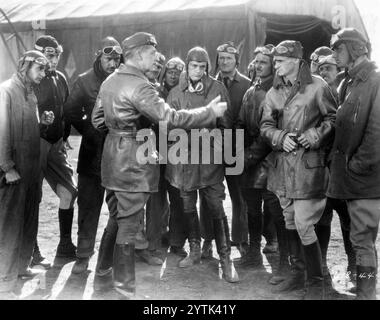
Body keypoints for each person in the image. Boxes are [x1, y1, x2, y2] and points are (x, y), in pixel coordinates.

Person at [91, 32, 228, 297]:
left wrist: (123, 127)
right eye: (153, 54)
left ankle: (103, 278)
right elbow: (171, 117)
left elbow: (98, 121)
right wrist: (209, 112)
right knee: (128, 226)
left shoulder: (110, 80)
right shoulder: (140, 85)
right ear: (140, 54)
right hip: (133, 160)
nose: (156, 59)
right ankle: (124, 290)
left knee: (116, 220)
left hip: (112, 160)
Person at [260, 40, 337, 300]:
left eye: (280, 60)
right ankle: (297, 274)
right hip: (283, 168)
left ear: (295, 60)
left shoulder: (318, 86)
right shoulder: (273, 92)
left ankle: (316, 285)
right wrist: (280, 137)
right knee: (290, 219)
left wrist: (315, 134)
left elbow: (333, 119)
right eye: (275, 61)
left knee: (304, 224)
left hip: (309, 168)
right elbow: (265, 126)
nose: (276, 65)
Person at [165, 46, 239, 283]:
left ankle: (225, 257)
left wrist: (223, 156)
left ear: (208, 68)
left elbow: (227, 125)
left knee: (216, 206)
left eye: (202, 66)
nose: (198, 70)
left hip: (210, 160)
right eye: (194, 65)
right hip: (184, 160)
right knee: (187, 205)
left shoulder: (217, 89)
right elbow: (167, 128)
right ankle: (195, 249)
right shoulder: (176, 92)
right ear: (187, 66)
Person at [328, 28, 380, 300]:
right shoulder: (347, 81)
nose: (334, 54)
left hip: (365, 178)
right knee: (359, 240)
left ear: (356, 49)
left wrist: (358, 166)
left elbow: (377, 134)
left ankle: (367, 293)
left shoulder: (375, 81)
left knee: (363, 241)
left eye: (339, 49)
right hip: (353, 177)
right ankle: (363, 288)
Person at [64, 36, 122, 274]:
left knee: (120, 207)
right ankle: (84, 255)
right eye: (109, 58)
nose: (113, 63)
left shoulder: (123, 80)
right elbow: (69, 111)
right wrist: (89, 128)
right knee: (88, 206)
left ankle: (112, 257)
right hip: (92, 155)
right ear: (99, 56)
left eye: (117, 59)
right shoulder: (85, 81)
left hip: (119, 154)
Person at [0, 51, 53, 298]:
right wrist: (7, 167)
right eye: (39, 69)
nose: (43, 75)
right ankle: (4, 279)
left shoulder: (31, 92)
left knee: (29, 220)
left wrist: (42, 122)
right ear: (25, 66)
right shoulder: (6, 91)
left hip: (31, 170)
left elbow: (28, 130)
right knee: (10, 225)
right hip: (14, 171)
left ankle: (21, 268)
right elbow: (2, 132)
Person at [236, 45, 289, 286]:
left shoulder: (279, 92)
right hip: (248, 158)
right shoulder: (251, 90)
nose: (258, 65)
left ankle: (283, 264)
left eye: (263, 62)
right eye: (256, 61)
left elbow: (272, 131)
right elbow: (240, 122)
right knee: (252, 210)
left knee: (276, 212)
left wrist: (249, 157)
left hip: (270, 160)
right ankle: (253, 254)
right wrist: (237, 152)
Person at [198, 42, 251, 260]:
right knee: (208, 196)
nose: (224, 62)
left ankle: (241, 240)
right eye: (220, 58)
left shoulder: (247, 85)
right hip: (211, 147)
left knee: (240, 196)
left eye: (229, 58)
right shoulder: (208, 84)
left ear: (236, 60)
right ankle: (208, 240)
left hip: (237, 147)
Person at [33, 35, 78, 265]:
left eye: (57, 54)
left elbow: (67, 109)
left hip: (57, 143)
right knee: (32, 197)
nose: (54, 59)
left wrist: (66, 134)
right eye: (49, 54)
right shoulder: (29, 80)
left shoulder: (60, 78)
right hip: (33, 143)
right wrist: (40, 121)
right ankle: (31, 250)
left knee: (69, 191)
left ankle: (65, 245)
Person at [316, 55, 357, 286]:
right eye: (320, 68)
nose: (324, 72)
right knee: (321, 219)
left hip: (345, 172)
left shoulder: (347, 92)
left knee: (350, 223)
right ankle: (321, 267)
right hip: (322, 171)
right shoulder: (317, 94)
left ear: (338, 69)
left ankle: (356, 272)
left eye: (328, 68)